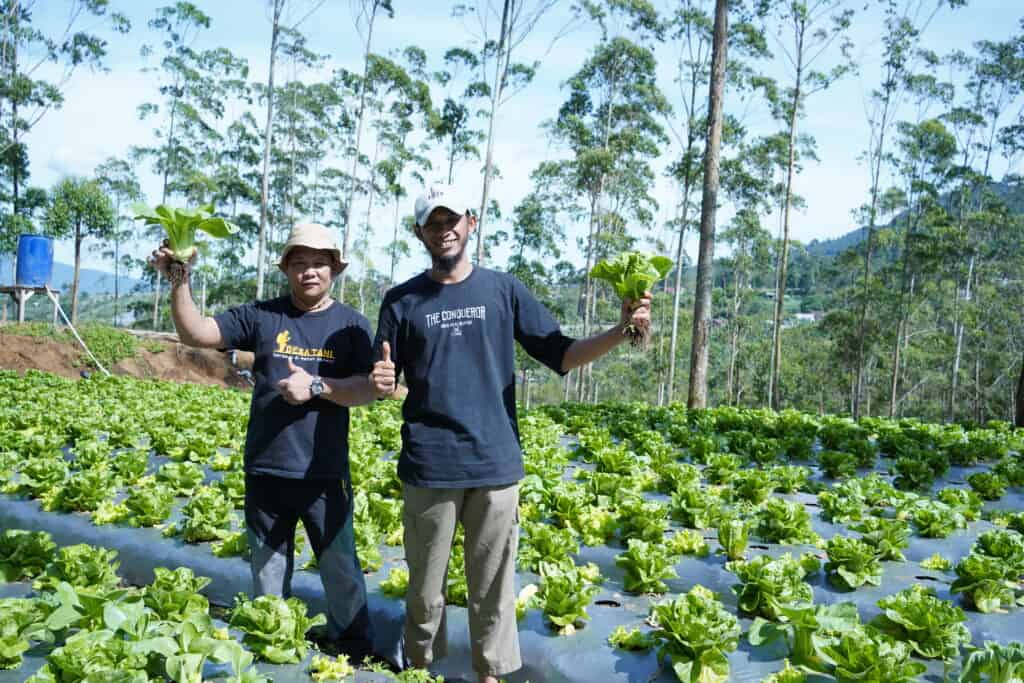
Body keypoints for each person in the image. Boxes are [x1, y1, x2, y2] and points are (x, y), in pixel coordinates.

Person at [368, 183, 653, 682]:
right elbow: (382, 375)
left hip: (495, 465)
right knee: (424, 588)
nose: (445, 229)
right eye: (433, 223)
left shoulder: (503, 289)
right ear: (420, 234)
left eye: (452, 219)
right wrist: (381, 381)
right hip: (429, 463)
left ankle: (489, 675)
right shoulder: (401, 301)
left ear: (471, 223)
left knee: (493, 588)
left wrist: (621, 329)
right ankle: (420, 670)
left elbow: (561, 353)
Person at [150, 222, 393, 661]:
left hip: (323, 473)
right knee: (268, 567)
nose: (310, 272)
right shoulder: (263, 316)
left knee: (340, 567)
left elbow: (367, 390)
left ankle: (355, 649)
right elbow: (197, 333)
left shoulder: (353, 327)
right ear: (285, 268)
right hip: (266, 467)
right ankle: (271, 644)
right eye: (299, 263)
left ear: (335, 268)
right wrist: (179, 278)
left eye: (320, 263)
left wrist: (317, 387)